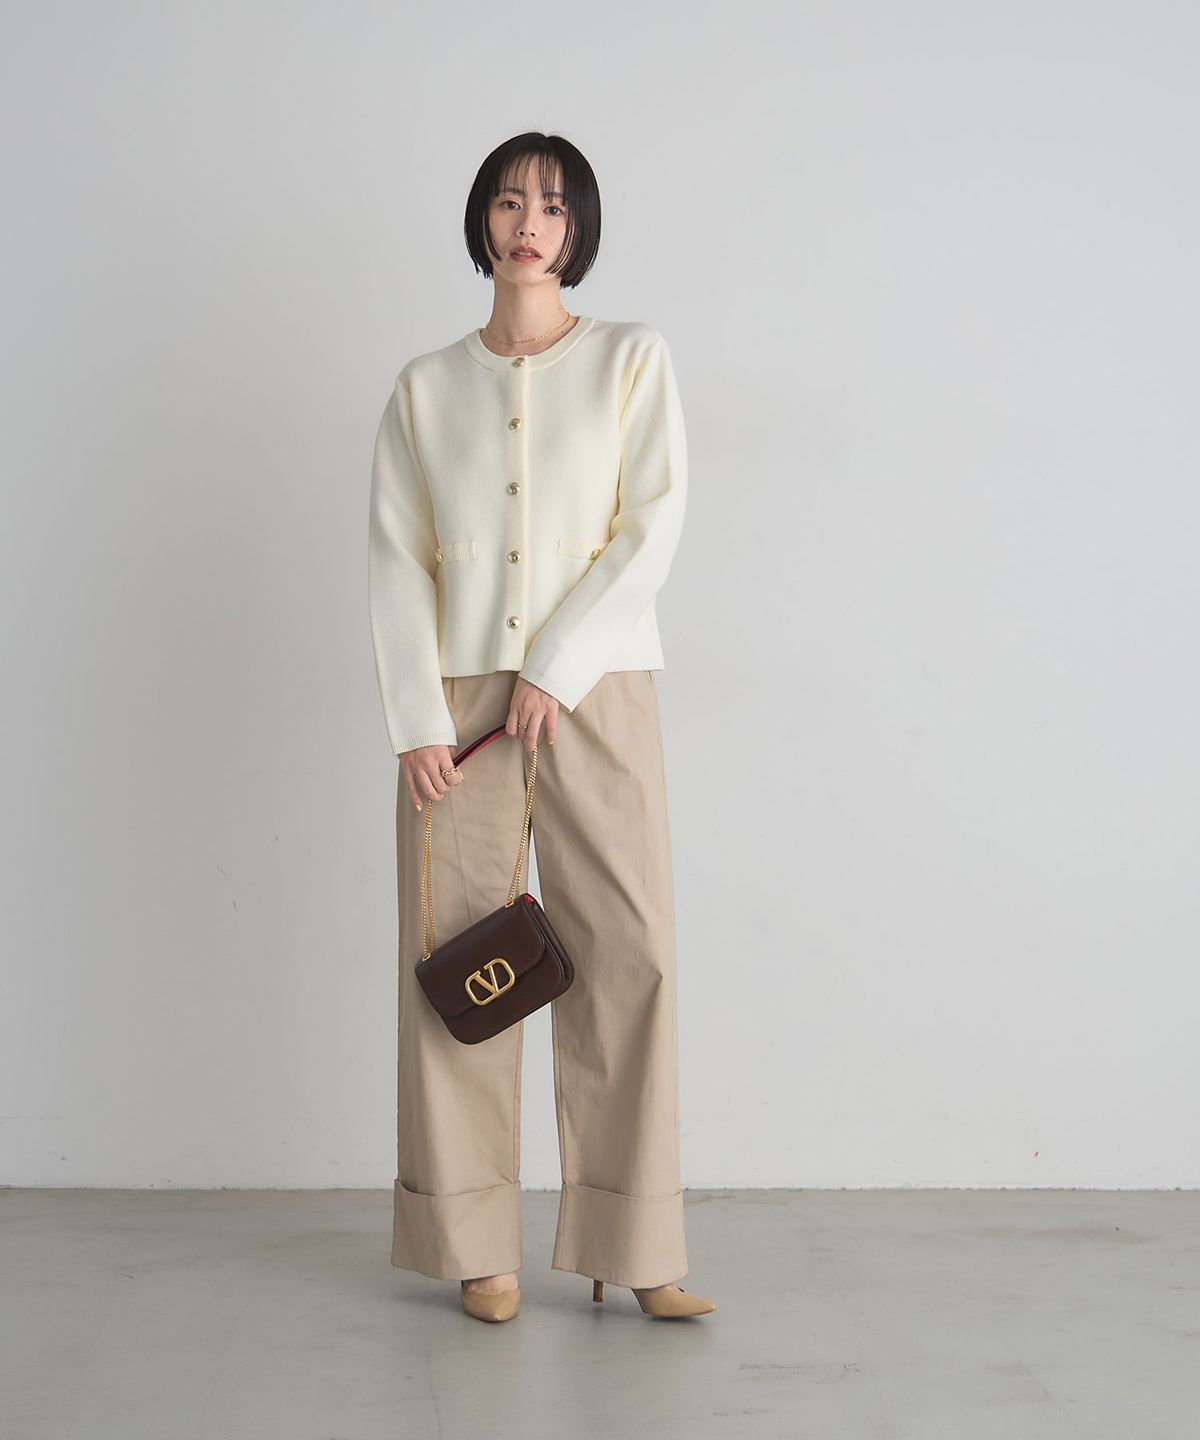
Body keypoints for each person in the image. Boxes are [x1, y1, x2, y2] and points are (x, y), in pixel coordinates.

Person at [367, 131, 715, 1323]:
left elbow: (651, 524)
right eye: (511, 201)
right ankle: (473, 1242)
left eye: (555, 207)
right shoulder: (425, 388)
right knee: (460, 961)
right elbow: (396, 559)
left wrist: (558, 668)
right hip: (459, 712)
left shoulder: (631, 358)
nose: (530, 223)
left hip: (600, 689)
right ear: (483, 219)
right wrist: (416, 716)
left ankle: (636, 1240)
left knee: (631, 947)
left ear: (579, 231)